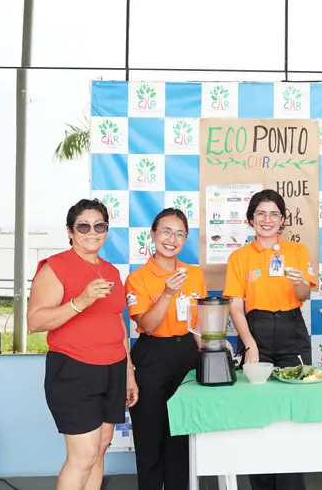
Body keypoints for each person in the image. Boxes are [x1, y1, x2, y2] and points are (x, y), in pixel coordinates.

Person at [27, 198, 139, 490]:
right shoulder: (55, 267)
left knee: (100, 448)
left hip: (113, 368)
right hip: (74, 370)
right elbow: (35, 321)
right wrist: (81, 301)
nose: (92, 231)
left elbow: (118, 323)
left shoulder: (111, 271)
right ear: (70, 231)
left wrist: (129, 372)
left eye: (99, 225)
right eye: (83, 226)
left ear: (106, 229)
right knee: (84, 455)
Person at [223, 189, 316, 490]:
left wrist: (298, 281)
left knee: (292, 410)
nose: (267, 219)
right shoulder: (239, 257)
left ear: (283, 219)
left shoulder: (297, 252)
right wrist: (249, 344)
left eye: (274, 214)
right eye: (260, 214)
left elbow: (304, 295)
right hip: (256, 329)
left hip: (292, 329)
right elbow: (235, 306)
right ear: (251, 219)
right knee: (257, 412)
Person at [126, 208, 208, 490]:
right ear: (153, 234)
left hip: (186, 353)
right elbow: (147, 325)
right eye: (166, 232)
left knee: (182, 433)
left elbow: (199, 325)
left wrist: (209, 357)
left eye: (180, 234)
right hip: (152, 354)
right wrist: (168, 294)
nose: (172, 239)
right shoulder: (137, 278)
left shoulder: (194, 274)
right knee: (150, 435)